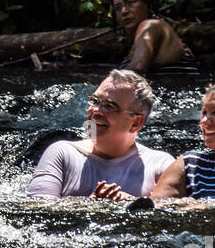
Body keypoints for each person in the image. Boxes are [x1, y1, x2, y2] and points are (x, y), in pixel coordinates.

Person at [28, 69, 174, 200]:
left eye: (109, 106)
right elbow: (36, 210)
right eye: (94, 101)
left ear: (136, 123)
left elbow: (178, 212)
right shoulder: (63, 153)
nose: (95, 110)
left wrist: (131, 203)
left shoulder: (160, 165)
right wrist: (91, 205)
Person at [111, 0, 197, 73]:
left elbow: (136, 69)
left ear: (147, 3)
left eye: (130, 2)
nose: (124, 11)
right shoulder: (135, 46)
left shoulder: (152, 26)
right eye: (118, 8)